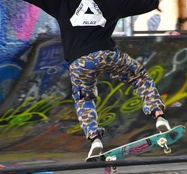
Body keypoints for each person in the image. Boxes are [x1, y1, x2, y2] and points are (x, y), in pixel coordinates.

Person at [23, 0, 171, 158]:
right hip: (106, 55)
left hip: (79, 63)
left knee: (84, 98)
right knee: (139, 76)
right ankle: (159, 116)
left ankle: (94, 140)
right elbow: (144, 4)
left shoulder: (62, 4)